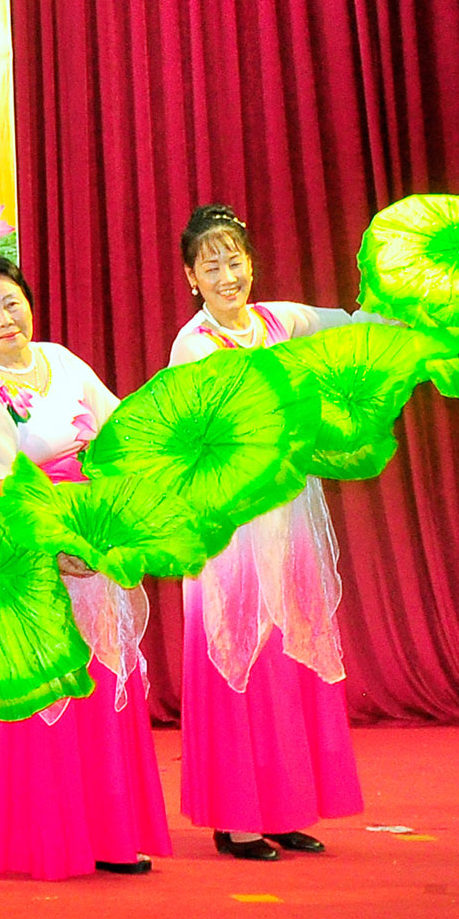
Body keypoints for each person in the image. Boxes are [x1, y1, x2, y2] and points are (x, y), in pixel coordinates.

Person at [0, 257, 169, 880]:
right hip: (28, 553)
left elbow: (120, 430)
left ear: (29, 303)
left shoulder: (61, 360)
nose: (5, 319)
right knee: (49, 696)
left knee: (98, 684)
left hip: (89, 539)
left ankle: (111, 835)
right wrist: (57, 549)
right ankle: (48, 839)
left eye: (12, 302)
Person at [164, 203, 368, 860]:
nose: (227, 276)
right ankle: (236, 817)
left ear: (250, 263)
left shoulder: (280, 319)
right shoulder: (194, 344)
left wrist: (402, 300)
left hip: (288, 516)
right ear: (191, 278)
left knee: (285, 656)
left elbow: (355, 326)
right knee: (239, 656)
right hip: (230, 524)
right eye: (211, 267)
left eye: (235, 261)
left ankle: (283, 808)